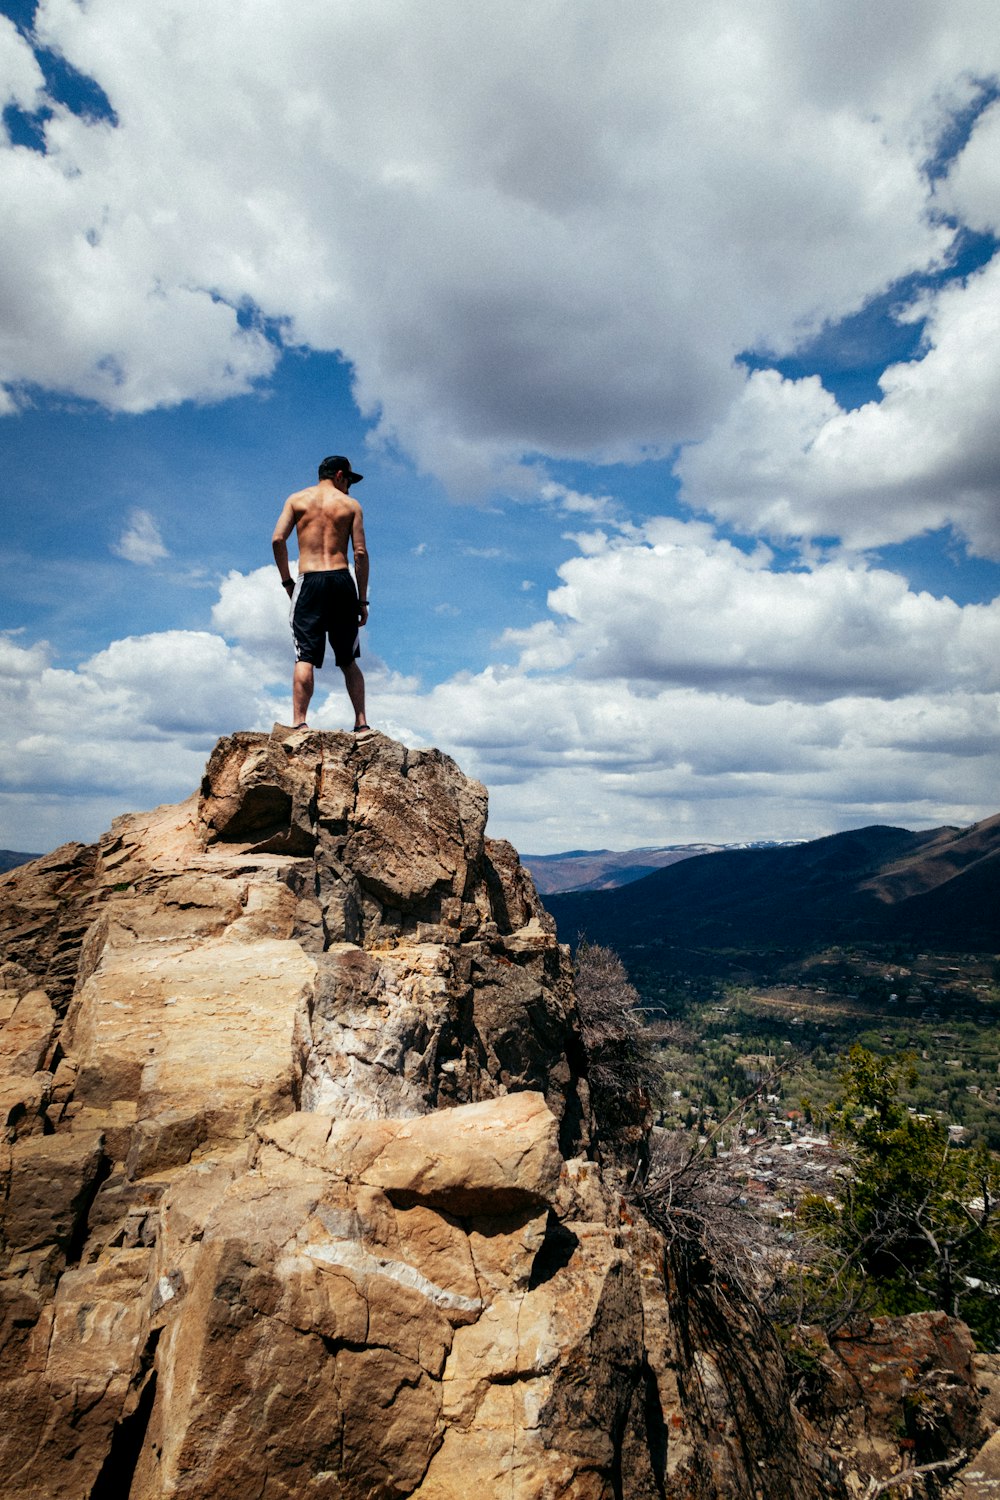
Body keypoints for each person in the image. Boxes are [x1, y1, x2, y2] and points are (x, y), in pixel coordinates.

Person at [271, 455, 371, 731]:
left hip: (310, 580)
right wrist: (362, 600)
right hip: (341, 580)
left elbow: (278, 539)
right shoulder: (350, 505)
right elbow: (360, 553)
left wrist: (288, 583)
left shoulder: (297, 500)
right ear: (339, 475)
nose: (349, 487)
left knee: (305, 656)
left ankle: (299, 723)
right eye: (349, 480)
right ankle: (361, 724)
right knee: (348, 658)